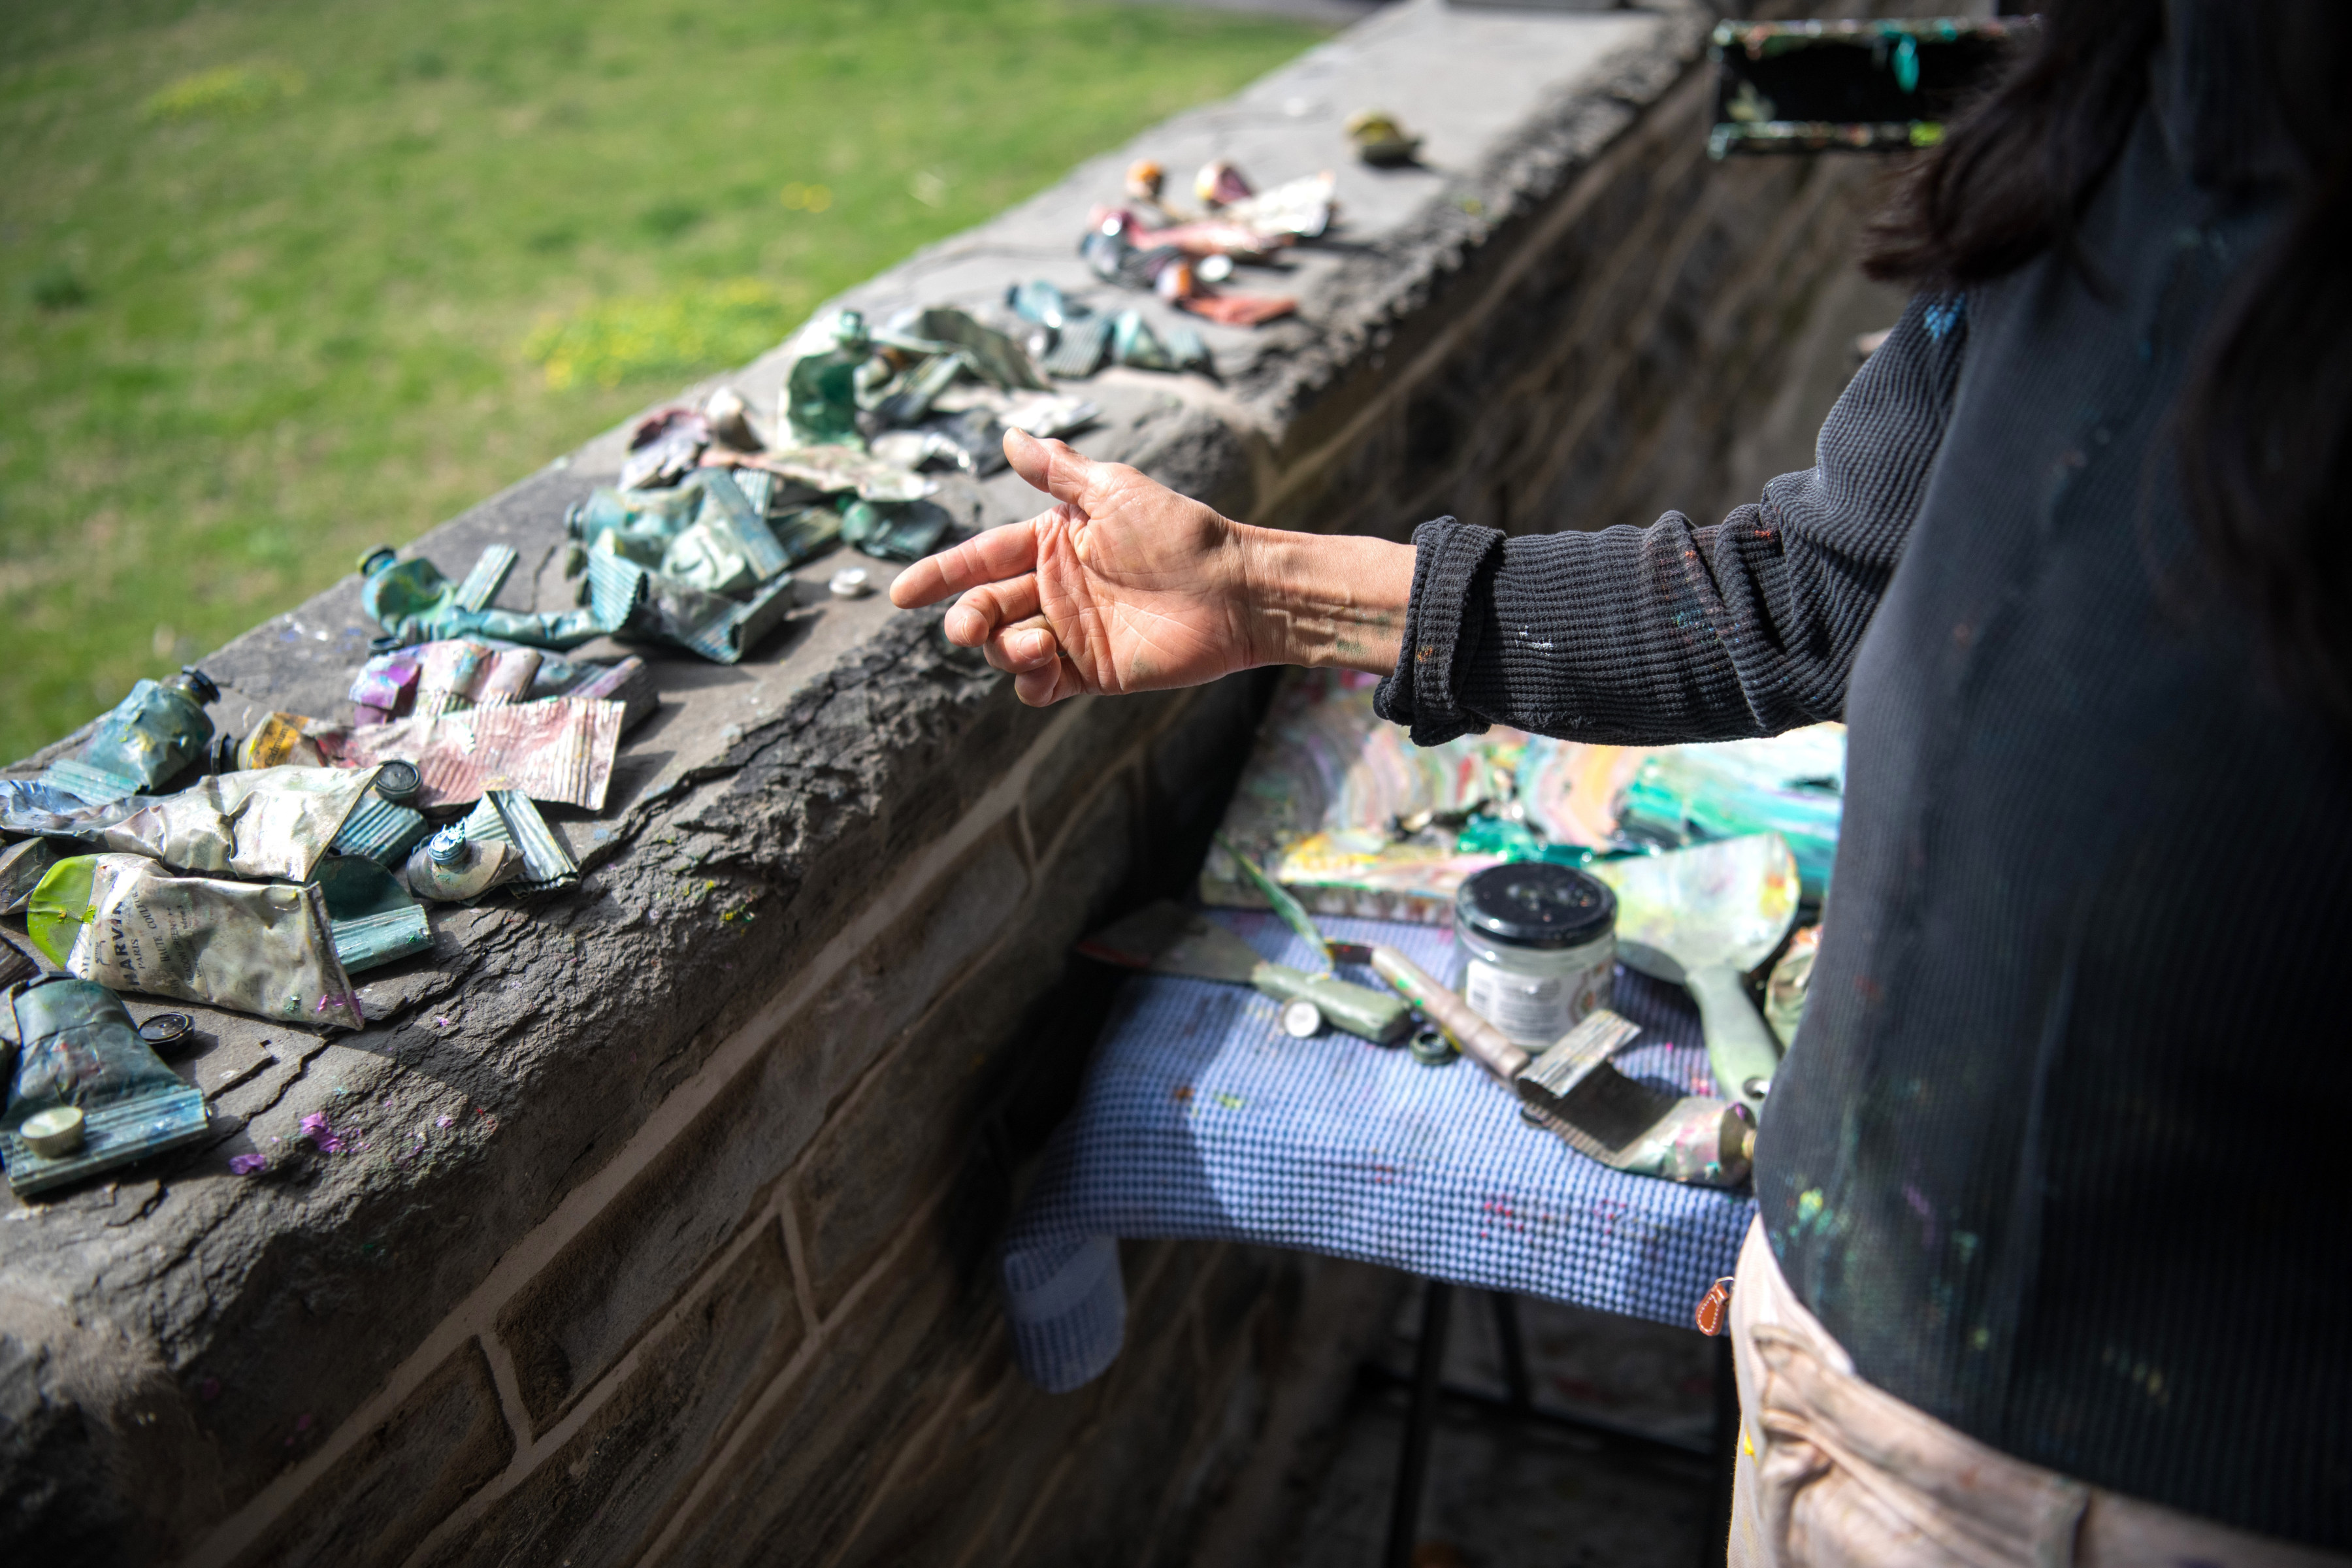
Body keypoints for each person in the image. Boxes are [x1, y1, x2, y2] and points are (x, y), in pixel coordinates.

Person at [892, 0, 2351, 1560]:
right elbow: (1818, 597)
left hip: (2220, 1469)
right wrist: (1262, 592)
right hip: (1840, 1337)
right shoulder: (2103, 92)